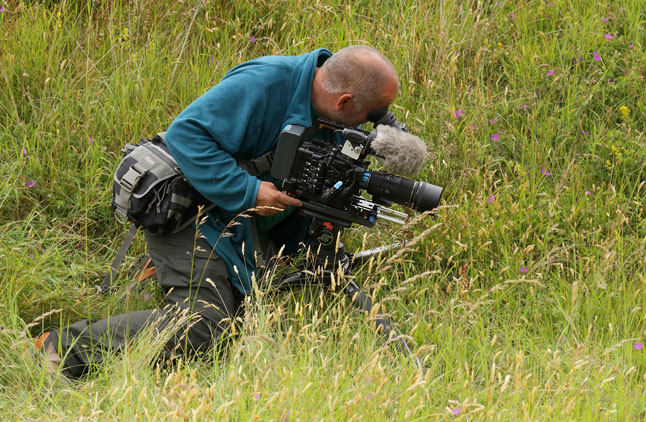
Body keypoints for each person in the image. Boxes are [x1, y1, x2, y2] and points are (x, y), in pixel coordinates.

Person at [36, 46, 401, 379]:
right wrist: (250, 191)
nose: (375, 123)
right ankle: (61, 348)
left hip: (238, 225)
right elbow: (187, 134)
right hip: (193, 211)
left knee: (246, 317)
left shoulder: (328, 114)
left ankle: (181, 272)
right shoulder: (265, 83)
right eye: (372, 115)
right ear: (344, 102)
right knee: (206, 324)